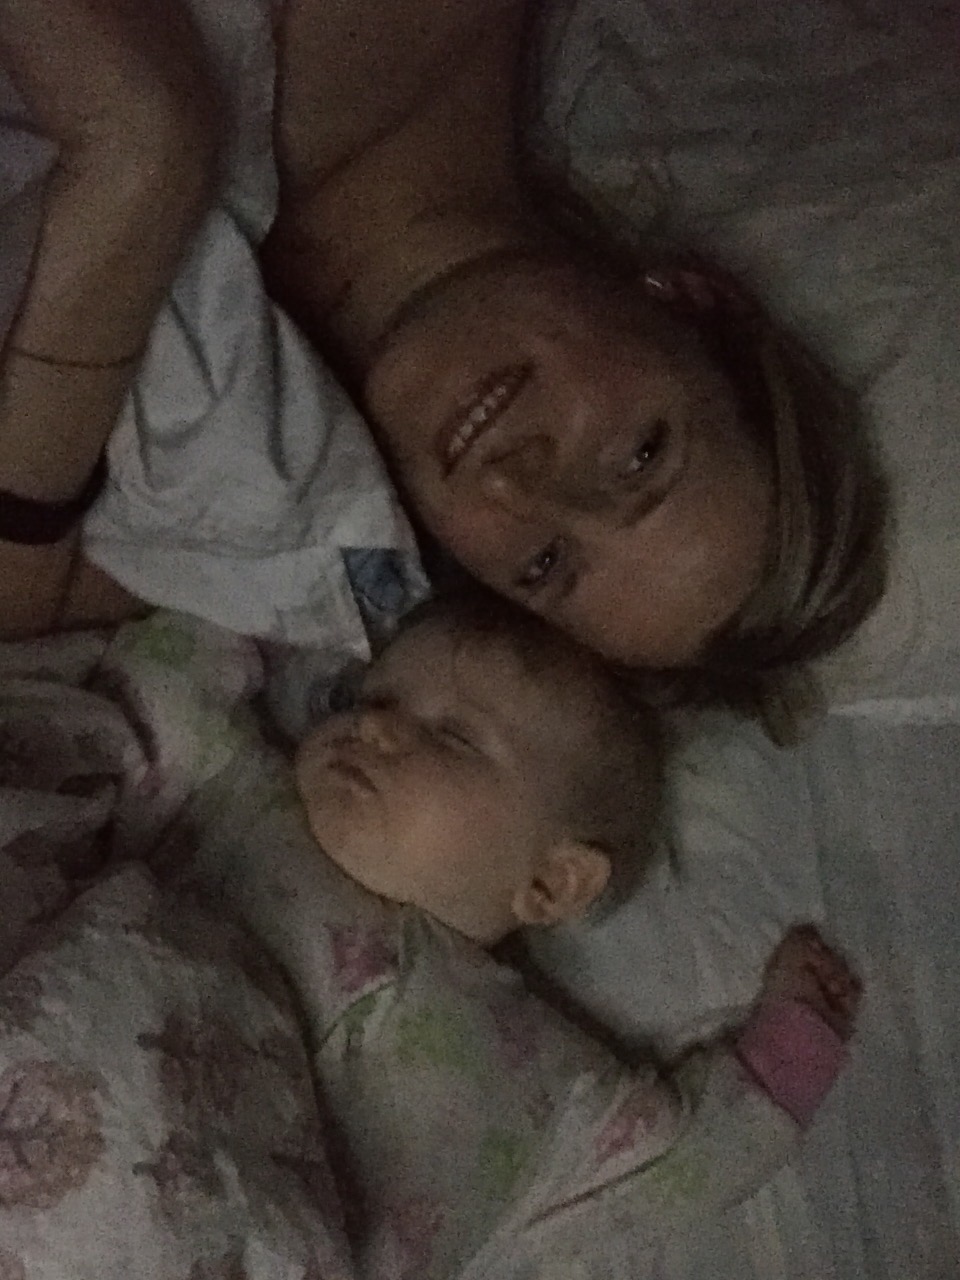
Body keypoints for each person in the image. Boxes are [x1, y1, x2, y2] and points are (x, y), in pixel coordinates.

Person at [0, 0, 888, 739]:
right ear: (689, 302)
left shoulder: (278, 516)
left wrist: (138, 166)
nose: (521, 480)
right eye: (639, 456)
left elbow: (14, 600)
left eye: (544, 563)